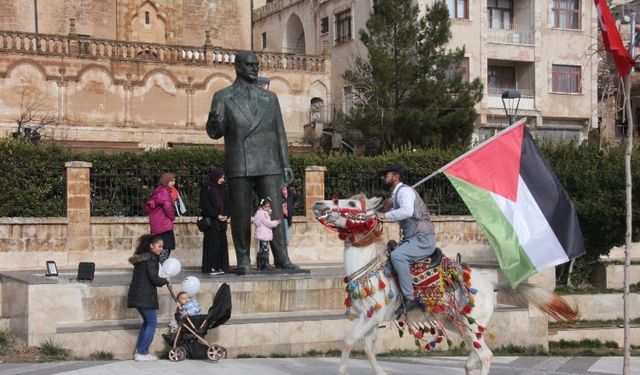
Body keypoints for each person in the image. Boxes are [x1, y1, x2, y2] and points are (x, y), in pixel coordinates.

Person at [206, 50, 298, 274]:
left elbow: (280, 133)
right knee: (239, 214)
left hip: (269, 162)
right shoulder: (223, 96)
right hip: (240, 162)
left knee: (275, 212)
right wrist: (214, 122)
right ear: (237, 66)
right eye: (249, 65)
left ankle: (282, 257)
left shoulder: (270, 98)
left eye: (257, 65)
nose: (255, 68)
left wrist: (285, 164)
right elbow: (214, 133)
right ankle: (244, 260)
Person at [375, 163, 436, 316]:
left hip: (422, 240)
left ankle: (409, 298)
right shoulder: (398, 195)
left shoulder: (405, 191)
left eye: (386, 174)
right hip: (413, 239)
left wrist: (385, 214)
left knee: (397, 256)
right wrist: (390, 208)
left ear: (395, 177)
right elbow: (404, 216)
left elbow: (407, 211)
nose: (383, 177)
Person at [127, 234, 169, 361]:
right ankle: (142, 352)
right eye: (159, 246)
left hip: (137, 295)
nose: (161, 249)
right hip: (144, 296)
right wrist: (165, 280)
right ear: (151, 246)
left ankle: (140, 352)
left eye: (162, 246)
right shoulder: (151, 258)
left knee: (147, 322)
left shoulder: (141, 259)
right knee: (151, 323)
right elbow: (153, 278)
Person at [199, 167, 230, 275]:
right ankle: (211, 266)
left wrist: (226, 215)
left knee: (221, 244)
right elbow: (206, 205)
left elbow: (227, 203)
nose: (222, 180)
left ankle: (220, 266)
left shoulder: (223, 189)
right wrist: (216, 215)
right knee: (212, 244)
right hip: (212, 223)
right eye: (221, 177)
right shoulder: (206, 189)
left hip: (221, 223)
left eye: (223, 177)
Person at [143, 173, 177, 263]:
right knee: (165, 247)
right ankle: (160, 267)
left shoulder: (159, 190)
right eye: (171, 181)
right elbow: (168, 207)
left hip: (158, 224)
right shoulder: (164, 192)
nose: (173, 183)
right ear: (166, 181)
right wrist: (172, 218)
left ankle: (156, 266)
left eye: (174, 181)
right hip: (163, 224)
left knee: (158, 247)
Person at [252, 197, 281, 270]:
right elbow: (268, 223)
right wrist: (276, 222)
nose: (268, 208)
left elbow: (268, 214)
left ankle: (261, 264)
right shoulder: (262, 214)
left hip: (263, 234)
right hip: (263, 234)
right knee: (265, 250)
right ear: (262, 206)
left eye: (269, 206)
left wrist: (269, 211)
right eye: (266, 207)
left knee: (263, 249)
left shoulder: (263, 212)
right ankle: (264, 264)